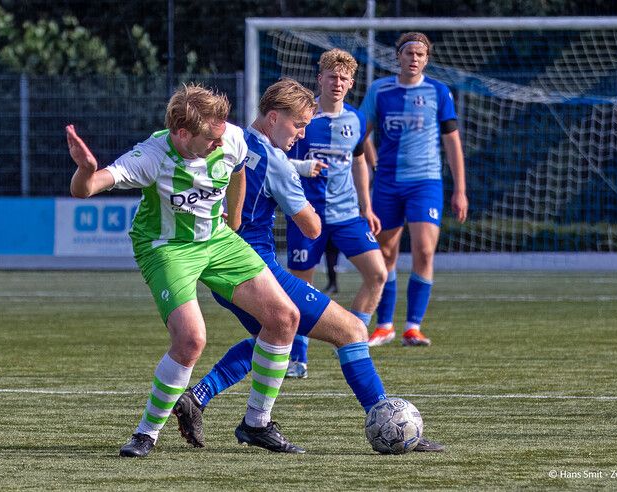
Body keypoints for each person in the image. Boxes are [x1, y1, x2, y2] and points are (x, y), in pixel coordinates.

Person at [170, 78, 444, 453]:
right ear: (272, 117)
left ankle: (199, 398)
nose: (300, 134)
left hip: (215, 268)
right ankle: (386, 417)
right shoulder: (275, 162)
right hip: (255, 267)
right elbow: (311, 227)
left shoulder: (226, 139)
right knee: (350, 330)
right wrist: (306, 195)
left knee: (269, 340)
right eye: (298, 124)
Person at [66, 83, 302, 458]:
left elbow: (239, 169)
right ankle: (146, 433)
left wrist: (236, 216)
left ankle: (257, 423)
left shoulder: (230, 138)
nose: (219, 143)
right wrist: (85, 169)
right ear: (181, 133)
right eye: (210, 138)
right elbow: (86, 189)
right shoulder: (151, 156)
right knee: (192, 339)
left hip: (217, 240)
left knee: (285, 317)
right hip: (167, 247)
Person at [284, 48, 387, 379]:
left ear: (351, 82)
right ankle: (298, 358)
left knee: (377, 274)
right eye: (332, 76)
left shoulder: (355, 119)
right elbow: (280, 160)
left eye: (344, 78)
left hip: (346, 216)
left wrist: (367, 207)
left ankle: (352, 337)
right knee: (302, 288)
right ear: (320, 79)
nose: (338, 82)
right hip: (307, 215)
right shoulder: (304, 118)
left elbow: (359, 161)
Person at [361, 32, 468, 347]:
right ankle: (384, 325)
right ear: (398, 56)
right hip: (387, 183)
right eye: (409, 53)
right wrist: (373, 161)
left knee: (424, 250)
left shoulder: (438, 91)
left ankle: (413, 326)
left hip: (425, 182)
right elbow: (359, 132)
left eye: (420, 54)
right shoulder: (380, 90)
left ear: (427, 59)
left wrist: (460, 189)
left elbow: (452, 142)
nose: (414, 59)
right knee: (385, 252)